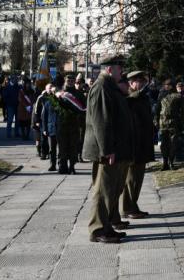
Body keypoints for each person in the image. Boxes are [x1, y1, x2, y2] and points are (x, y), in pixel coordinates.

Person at [83, 55, 133, 243]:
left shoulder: (110, 87)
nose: (122, 71)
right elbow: (101, 121)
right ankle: (97, 230)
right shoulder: (102, 87)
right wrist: (107, 150)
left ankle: (107, 226)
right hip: (106, 151)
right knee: (102, 190)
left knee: (111, 190)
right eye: (120, 68)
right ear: (110, 69)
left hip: (115, 148)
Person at [121, 71, 155, 219]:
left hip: (143, 142)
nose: (141, 84)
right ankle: (127, 208)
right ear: (131, 83)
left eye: (142, 81)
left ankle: (133, 205)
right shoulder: (128, 97)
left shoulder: (143, 97)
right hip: (133, 143)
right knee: (131, 179)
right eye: (138, 81)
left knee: (138, 179)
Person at [156, 82, 184, 170]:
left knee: (173, 143)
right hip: (163, 123)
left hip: (174, 122)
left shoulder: (178, 96)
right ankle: (165, 163)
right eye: (165, 85)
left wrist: (181, 122)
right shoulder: (161, 96)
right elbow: (157, 110)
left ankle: (171, 162)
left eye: (168, 85)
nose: (166, 86)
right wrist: (156, 122)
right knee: (163, 144)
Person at [41, 86, 60, 172]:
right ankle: (52, 164)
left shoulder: (62, 102)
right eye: (53, 91)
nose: (55, 92)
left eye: (56, 91)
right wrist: (44, 129)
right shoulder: (48, 103)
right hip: (51, 129)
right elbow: (44, 117)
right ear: (51, 93)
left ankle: (61, 164)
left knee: (60, 148)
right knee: (52, 149)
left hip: (60, 129)